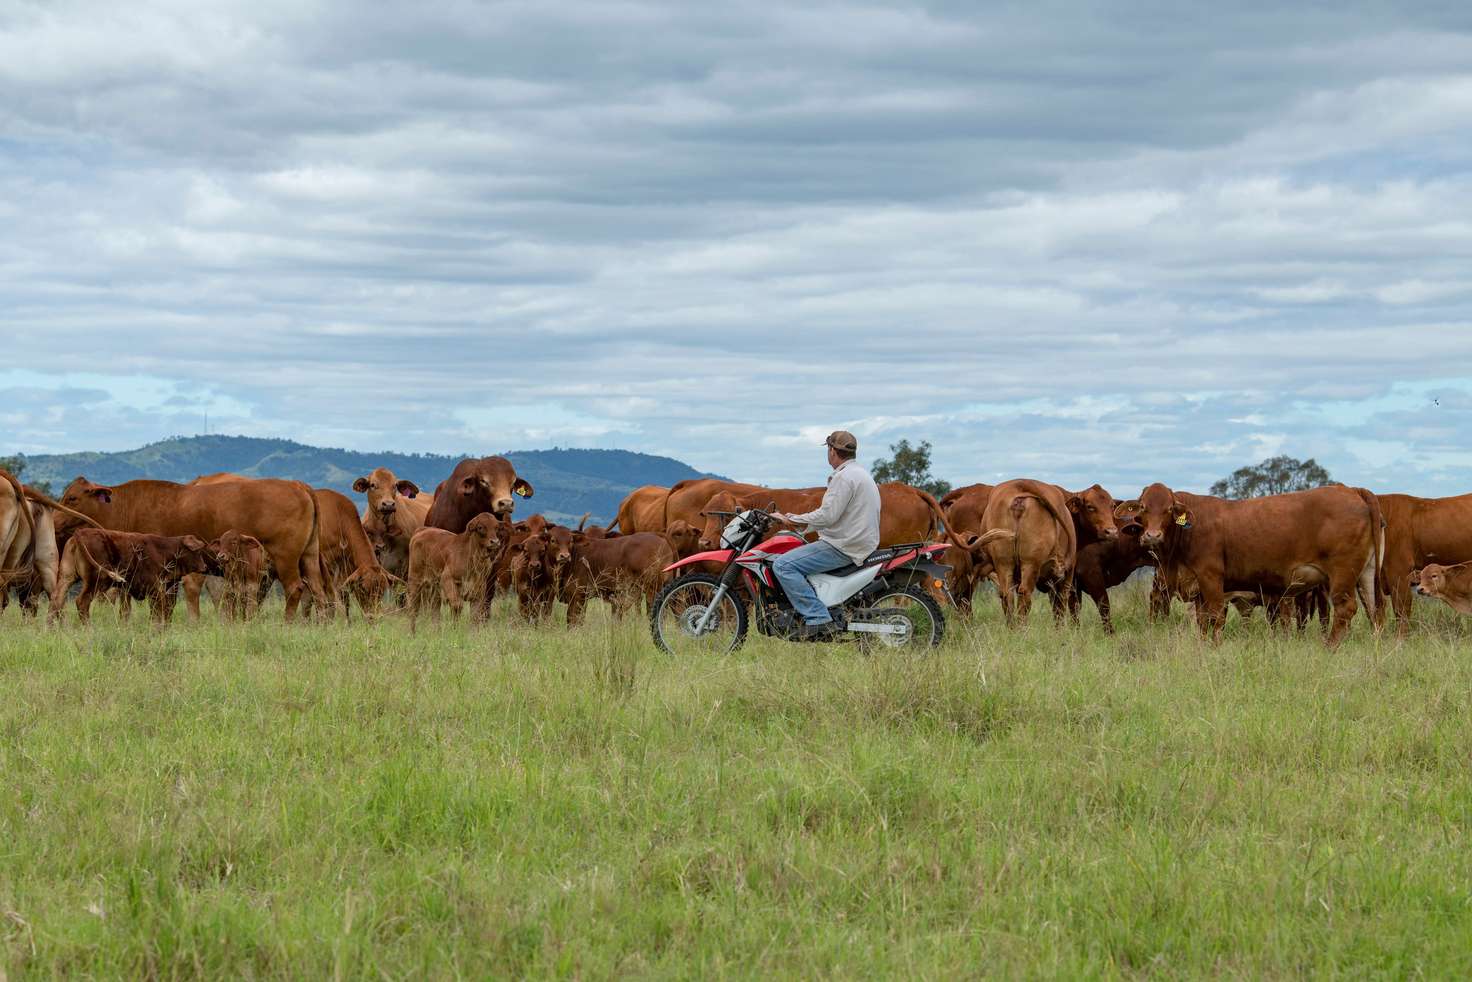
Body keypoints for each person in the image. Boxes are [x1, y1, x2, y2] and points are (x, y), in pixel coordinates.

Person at [772, 430, 881, 639]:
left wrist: (791, 519)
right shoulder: (861, 474)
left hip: (843, 546)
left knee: (783, 565)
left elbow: (827, 516)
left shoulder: (843, 477)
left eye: (828, 449)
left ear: (832, 451)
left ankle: (818, 618)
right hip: (859, 542)